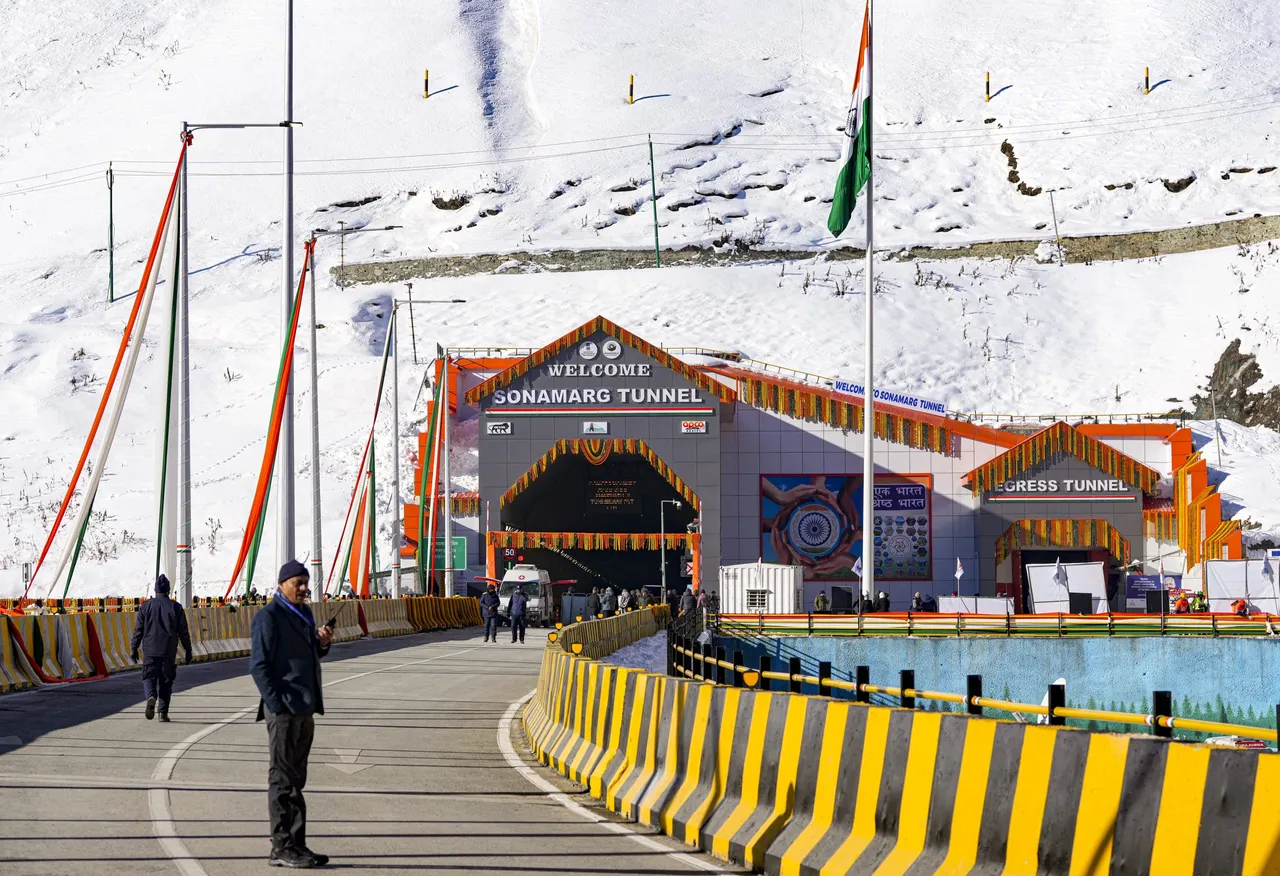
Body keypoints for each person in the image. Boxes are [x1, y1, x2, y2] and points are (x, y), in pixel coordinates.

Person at [249, 560, 333, 869]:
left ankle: (297, 844)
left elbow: (307, 653)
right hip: (284, 710)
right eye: (297, 582)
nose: (303, 588)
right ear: (282, 584)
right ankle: (281, 845)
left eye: (305, 582)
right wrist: (276, 703)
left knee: (297, 779)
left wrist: (321, 644)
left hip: (305, 707)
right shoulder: (268, 617)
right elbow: (258, 665)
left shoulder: (305, 614)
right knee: (282, 779)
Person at [129, 574, 192, 722]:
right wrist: (188, 650)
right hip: (168, 650)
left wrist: (133, 648)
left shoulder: (146, 606)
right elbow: (183, 631)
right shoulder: (176, 607)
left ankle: (151, 696)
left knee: (149, 677)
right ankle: (163, 714)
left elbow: (138, 630)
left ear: (155, 590)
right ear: (168, 590)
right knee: (166, 681)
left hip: (150, 650)